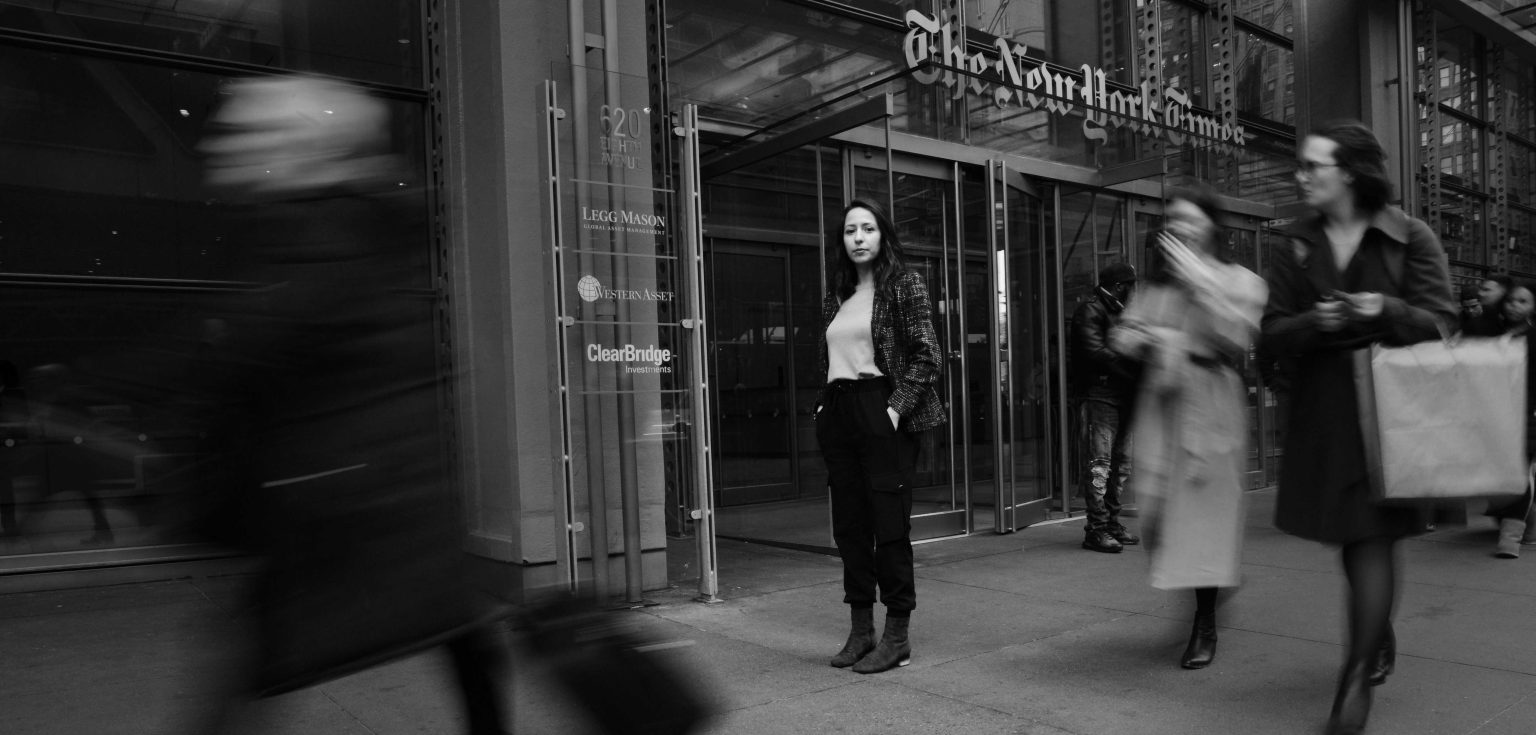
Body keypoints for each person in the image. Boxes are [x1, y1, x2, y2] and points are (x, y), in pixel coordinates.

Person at [181, 75, 511, 734]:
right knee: (461, 633)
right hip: (395, 493)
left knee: (264, 659)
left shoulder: (319, 235)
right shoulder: (379, 232)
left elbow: (259, 348)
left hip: (341, 501)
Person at [1261, 121, 1457, 735]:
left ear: (1349, 171)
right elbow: (1268, 334)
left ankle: (1353, 687)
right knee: (1352, 544)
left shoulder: (1409, 236)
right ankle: (1377, 635)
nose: (1301, 176)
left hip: (1394, 419)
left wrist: (1386, 309)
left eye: (1312, 165)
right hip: (1322, 416)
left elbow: (1443, 323)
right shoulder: (1291, 244)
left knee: (1371, 542)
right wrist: (1315, 324)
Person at [1110, 186, 1266, 670]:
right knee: (1156, 519)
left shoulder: (1239, 280)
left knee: (1202, 520)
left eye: (1190, 219)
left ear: (1212, 227)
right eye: (1172, 219)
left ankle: (1204, 621)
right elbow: (1123, 336)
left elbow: (1236, 330)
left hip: (1211, 404)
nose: (1179, 227)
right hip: (1163, 403)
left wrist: (1196, 278)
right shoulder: (1154, 289)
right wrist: (1138, 336)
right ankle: (1215, 581)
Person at [816, 198, 945, 675]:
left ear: (882, 235)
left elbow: (928, 355)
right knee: (850, 526)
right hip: (839, 411)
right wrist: (823, 407)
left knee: (889, 528)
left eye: (868, 228)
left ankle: (897, 635)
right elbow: (825, 356)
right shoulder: (836, 294)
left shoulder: (903, 285)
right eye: (851, 230)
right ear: (842, 241)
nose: (859, 237)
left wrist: (893, 408)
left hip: (881, 408)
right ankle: (860, 629)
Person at [1071, 261, 1142, 553]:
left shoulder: (1121, 311)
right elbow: (1094, 351)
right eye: (1131, 286)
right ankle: (1096, 529)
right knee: (1099, 466)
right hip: (1100, 395)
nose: (1134, 291)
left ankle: (1111, 523)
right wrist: (1129, 362)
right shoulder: (1091, 309)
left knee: (1121, 464)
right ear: (1118, 286)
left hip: (1123, 395)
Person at [1485, 282, 1536, 558]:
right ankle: (1522, 525)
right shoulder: (1493, 335)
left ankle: (1510, 538)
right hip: (1493, 415)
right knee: (1503, 474)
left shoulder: (1534, 338)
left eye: (1523, 301)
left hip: (1526, 416)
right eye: (1511, 301)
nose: (1515, 306)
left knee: (1519, 474)